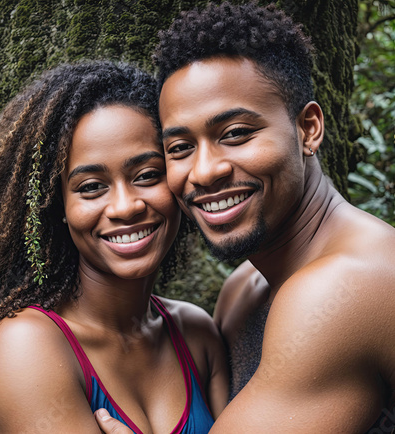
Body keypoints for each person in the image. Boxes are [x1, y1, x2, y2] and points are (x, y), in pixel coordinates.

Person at [95, 2, 395, 433]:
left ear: (308, 128)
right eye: (180, 148)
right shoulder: (243, 291)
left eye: (235, 134)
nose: (204, 171)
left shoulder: (349, 283)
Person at [0, 61, 229, 433]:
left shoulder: (196, 333)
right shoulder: (24, 346)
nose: (125, 207)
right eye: (91, 186)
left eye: (146, 176)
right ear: (58, 206)